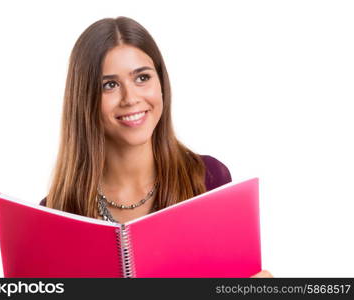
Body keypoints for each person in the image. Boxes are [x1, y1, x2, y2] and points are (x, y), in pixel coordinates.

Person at [40, 16, 272, 278]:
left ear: (161, 83)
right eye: (110, 85)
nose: (131, 98)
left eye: (142, 78)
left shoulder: (209, 180)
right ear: (84, 99)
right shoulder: (56, 212)